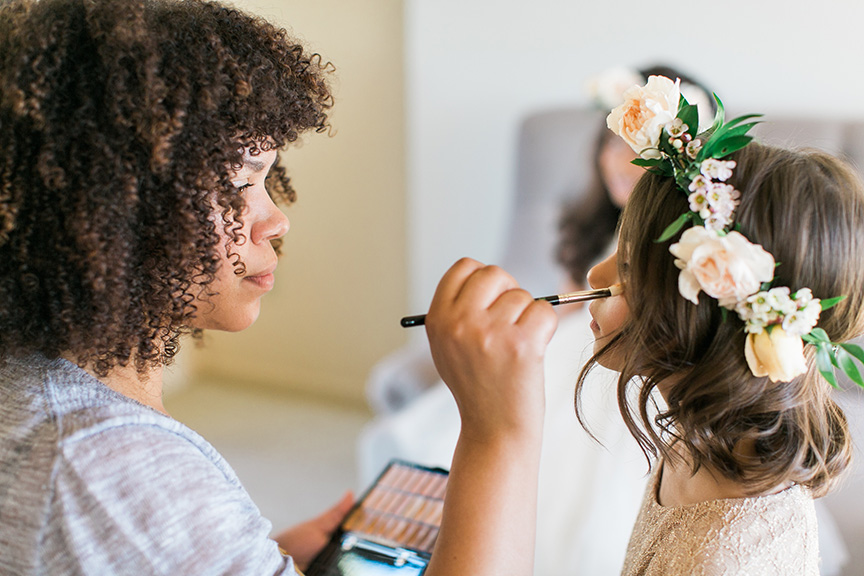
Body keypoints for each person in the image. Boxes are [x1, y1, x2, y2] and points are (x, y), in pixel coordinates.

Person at [0, 1, 557, 574]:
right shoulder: (114, 469)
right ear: (108, 207)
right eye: (240, 181)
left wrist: (264, 559)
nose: (276, 219)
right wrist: (499, 436)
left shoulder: (33, 392)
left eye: (267, 177)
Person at [358, 65, 720, 575]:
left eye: (633, 148)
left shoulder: (688, 239)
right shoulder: (596, 224)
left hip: (623, 350)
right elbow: (575, 294)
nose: (617, 160)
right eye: (608, 145)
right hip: (576, 332)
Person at [582, 75, 864, 574]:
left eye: (626, 267)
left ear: (704, 302)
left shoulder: (733, 556)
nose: (593, 276)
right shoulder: (691, 449)